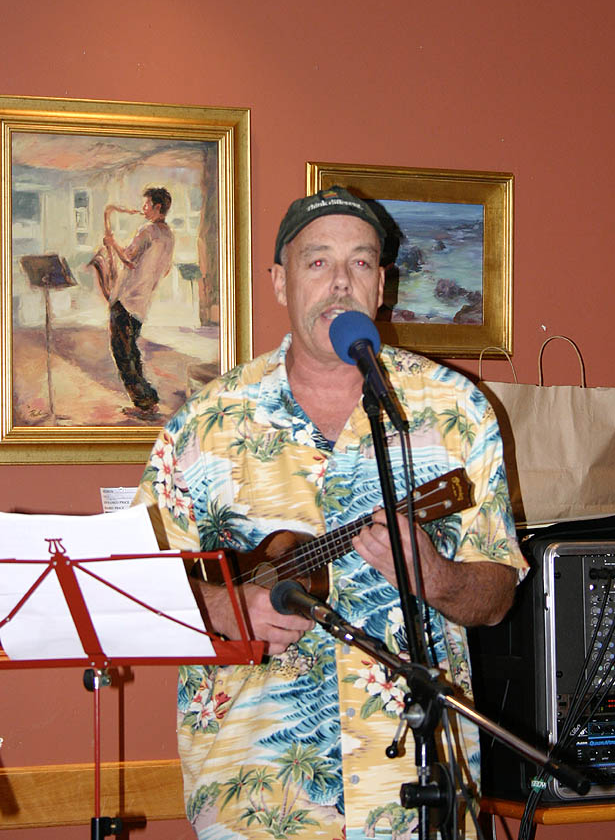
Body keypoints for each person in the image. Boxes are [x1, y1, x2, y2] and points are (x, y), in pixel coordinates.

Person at [133, 186, 527, 840]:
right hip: (254, 794)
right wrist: (224, 611)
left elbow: (497, 594)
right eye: (318, 262)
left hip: (415, 798)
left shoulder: (457, 411)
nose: (340, 283)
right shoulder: (203, 425)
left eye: (361, 263)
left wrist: (440, 578)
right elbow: (132, 586)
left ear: (383, 286)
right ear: (279, 282)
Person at [103, 186, 174, 417]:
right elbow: (163, 270)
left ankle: (144, 402)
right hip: (141, 302)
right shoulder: (169, 235)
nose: (142, 209)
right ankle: (147, 398)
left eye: (146, 205)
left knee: (122, 353)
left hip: (126, 299)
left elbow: (128, 258)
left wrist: (111, 243)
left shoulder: (147, 230)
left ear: (157, 207)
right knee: (131, 351)